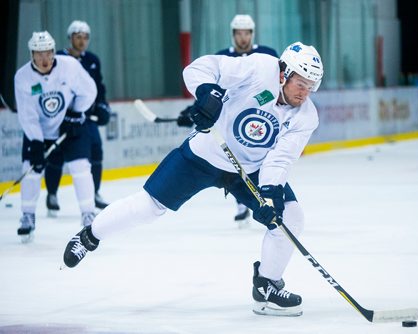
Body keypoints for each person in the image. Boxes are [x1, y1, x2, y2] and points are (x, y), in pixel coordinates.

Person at [62, 41, 323, 317]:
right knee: (148, 206)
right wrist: (207, 93)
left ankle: (266, 284)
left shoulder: (306, 117)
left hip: (251, 169)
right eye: (301, 84)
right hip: (205, 153)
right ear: (283, 73)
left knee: (290, 218)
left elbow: (280, 159)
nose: (305, 93)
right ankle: (90, 236)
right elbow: (200, 68)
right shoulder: (259, 68)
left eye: (311, 87)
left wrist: (270, 193)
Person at [177, 14, 279, 227]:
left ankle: (263, 200)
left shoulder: (268, 56)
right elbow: (213, 92)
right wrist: (193, 110)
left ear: (252, 33)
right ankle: (243, 202)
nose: (243, 38)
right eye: (239, 33)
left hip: (260, 120)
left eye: (247, 33)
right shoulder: (223, 56)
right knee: (232, 157)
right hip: (232, 119)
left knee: (258, 161)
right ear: (233, 35)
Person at [15, 31, 97, 241]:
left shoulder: (69, 66)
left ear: (53, 51)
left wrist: (74, 113)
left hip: (69, 127)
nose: (44, 58)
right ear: (32, 54)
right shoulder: (23, 77)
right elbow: (27, 114)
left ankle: (88, 214)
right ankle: (27, 216)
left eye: (48, 53)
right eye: (39, 54)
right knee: (31, 169)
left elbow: (90, 91)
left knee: (81, 167)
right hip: (40, 131)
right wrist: (35, 141)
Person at [44, 20, 111, 215]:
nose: (82, 41)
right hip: (60, 118)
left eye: (85, 37)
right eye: (78, 37)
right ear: (70, 37)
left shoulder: (92, 59)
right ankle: (52, 194)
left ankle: (95, 193)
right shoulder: (58, 59)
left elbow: (98, 87)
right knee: (55, 155)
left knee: (96, 150)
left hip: (85, 117)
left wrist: (102, 106)